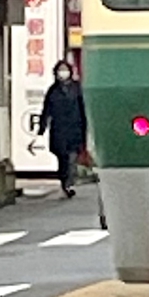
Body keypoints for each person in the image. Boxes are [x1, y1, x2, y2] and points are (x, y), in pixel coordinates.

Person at [39, 60, 88, 197]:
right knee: (62, 159)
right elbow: (46, 110)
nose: (63, 72)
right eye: (60, 70)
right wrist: (42, 127)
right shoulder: (52, 91)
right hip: (58, 129)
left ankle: (70, 183)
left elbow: (83, 109)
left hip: (75, 128)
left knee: (72, 158)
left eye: (65, 69)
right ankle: (64, 181)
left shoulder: (77, 89)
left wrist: (86, 127)